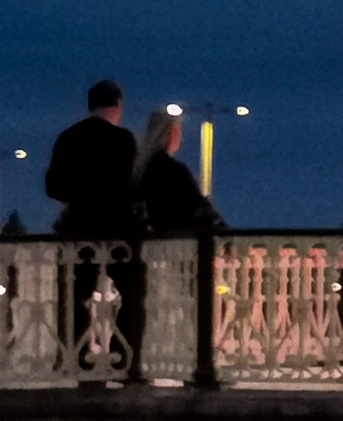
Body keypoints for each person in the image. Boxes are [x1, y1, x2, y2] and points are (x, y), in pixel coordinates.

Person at [43, 79, 139, 373]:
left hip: (78, 228)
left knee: (75, 295)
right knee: (132, 292)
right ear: (117, 106)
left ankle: (76, 357)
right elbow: (130, 186)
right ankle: (126, 359)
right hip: (117, 229)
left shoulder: (68, 138)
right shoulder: (123, 140)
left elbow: (53, 187)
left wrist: (80, 194)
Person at [134, 111, 227, 239]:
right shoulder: (173, 171)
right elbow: (196, 207)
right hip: (180, 242)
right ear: (172, 134)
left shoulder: (141, 169)